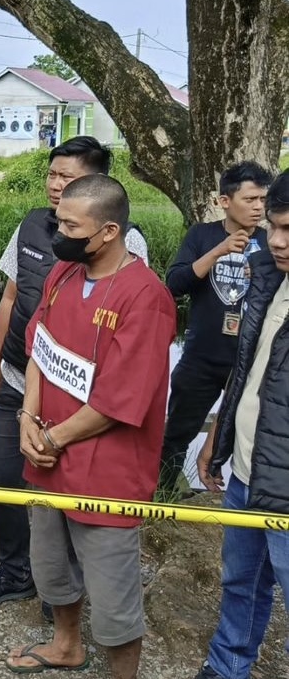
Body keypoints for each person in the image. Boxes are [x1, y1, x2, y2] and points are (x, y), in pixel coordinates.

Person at [0, 136, 149, 612]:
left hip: (76, 395)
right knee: (3, 476)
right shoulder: (30, 226)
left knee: (63, 489)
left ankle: (61, 585)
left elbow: (124, 331)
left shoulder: (127, 247)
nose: (54, 185)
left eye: (67, 178)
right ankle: (16, 569)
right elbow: (11, 297)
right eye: (51, 175)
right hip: (18, 378)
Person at [5, 174, 176, 677]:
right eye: (58, 220)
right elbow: (40, 347)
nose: (58, 231)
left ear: (108, 232)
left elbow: (121, 400)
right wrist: (28, 419)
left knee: (112, 592)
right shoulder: (63, 273)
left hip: (107, 473)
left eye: (70, 224)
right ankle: (65, 645)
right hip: (47, 458)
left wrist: (53, 437)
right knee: (52, 568)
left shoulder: (145, 296)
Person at [193, 169, 289, 679]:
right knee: (241, 580)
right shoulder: (267, 279)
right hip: (249, 473)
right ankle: (227, 665)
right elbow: (246, 370)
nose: (276, 241)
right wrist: (219, 436)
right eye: (272, 226)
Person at [158, 161, 272, 494]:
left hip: (250, 361)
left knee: (248, 430)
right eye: (249, 199)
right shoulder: (202, 235)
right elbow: (175, 283)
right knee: (178, 430)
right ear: (225, 201)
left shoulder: (271, 243)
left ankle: (235, 494)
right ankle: (164, 492)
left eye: (262, 200)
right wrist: (219, 251)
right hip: (202, 355)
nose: (257, 207)